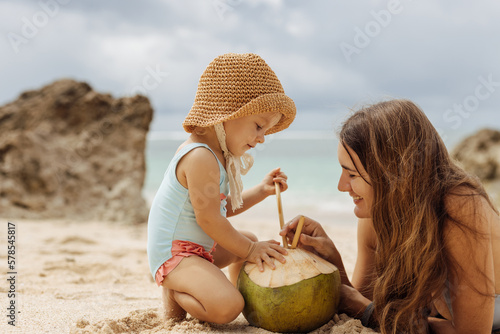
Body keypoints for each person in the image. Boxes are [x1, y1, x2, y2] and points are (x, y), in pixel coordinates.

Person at [280, 99, 500, 333]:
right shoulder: (375, 215)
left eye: (352, 174)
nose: (341, 186)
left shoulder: (460, 205)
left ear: (392, 173)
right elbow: (357, 300)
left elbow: (472, 332)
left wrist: (369, 310)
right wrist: (331, 260)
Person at [147, 53, 296, 324]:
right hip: (176, 253)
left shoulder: (217, 157)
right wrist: (251, 250)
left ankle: (234, 292)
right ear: (226, 113)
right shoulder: (201, 157)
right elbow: (209, 219)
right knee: (227, 308)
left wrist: (262, 190)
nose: (262, 138)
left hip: (197, 248)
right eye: (259, 126)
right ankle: (175, 290)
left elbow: (222, 209)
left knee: (246, 236)